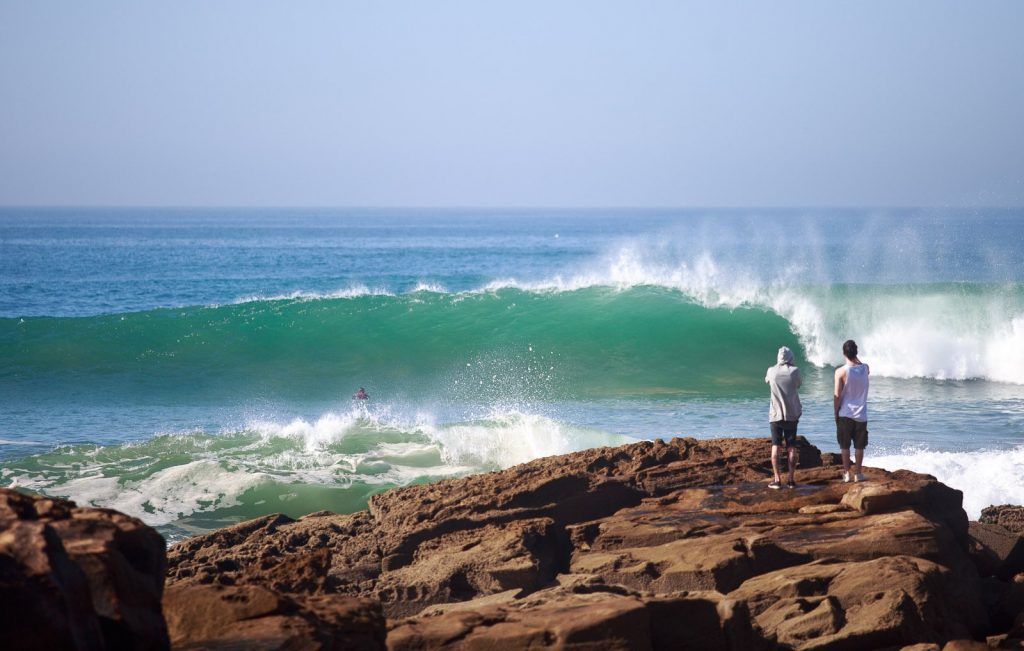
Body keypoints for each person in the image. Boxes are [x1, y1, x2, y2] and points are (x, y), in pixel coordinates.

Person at [766, 346, 802, 489]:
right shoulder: (795, 371)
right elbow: (798, 384)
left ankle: (777, 479)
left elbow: (767, 381)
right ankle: (791, 480)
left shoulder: (771, 371)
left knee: (776, 446)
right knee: (791, 447)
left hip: (775, 415)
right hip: (791, 414)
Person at [834, 339, 869, 482]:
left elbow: (837, 395)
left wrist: (835, 412)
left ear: (843, 353)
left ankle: (847, 473)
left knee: (845, 445)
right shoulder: (865, 368)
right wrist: (855, 356)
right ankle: (858, 474)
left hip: (845, 413)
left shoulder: (840, 371)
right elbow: (860, 364)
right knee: (859, 446)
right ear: (856, 352)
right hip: (861, 414)